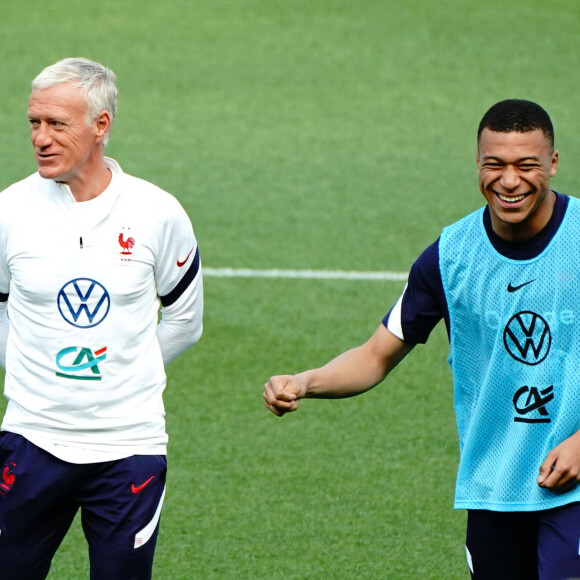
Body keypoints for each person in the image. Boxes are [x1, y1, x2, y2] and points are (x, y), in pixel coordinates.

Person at [264, 99, 580, 579]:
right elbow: (375, 355)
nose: (509, 180)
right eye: (494, 164)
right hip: (494, 484)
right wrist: (305, 381)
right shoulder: (451, 255)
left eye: (526, 165)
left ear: (553, 164)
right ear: (478, 164)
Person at [0, 58, 203, 579]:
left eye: (57, 124)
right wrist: (36, 373)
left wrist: (124, 373)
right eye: (33, 123)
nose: (40, 138)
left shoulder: (158, 213)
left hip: (128, 446)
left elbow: (184, 319)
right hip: (32, 439)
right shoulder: (10, 213)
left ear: (101, 126)